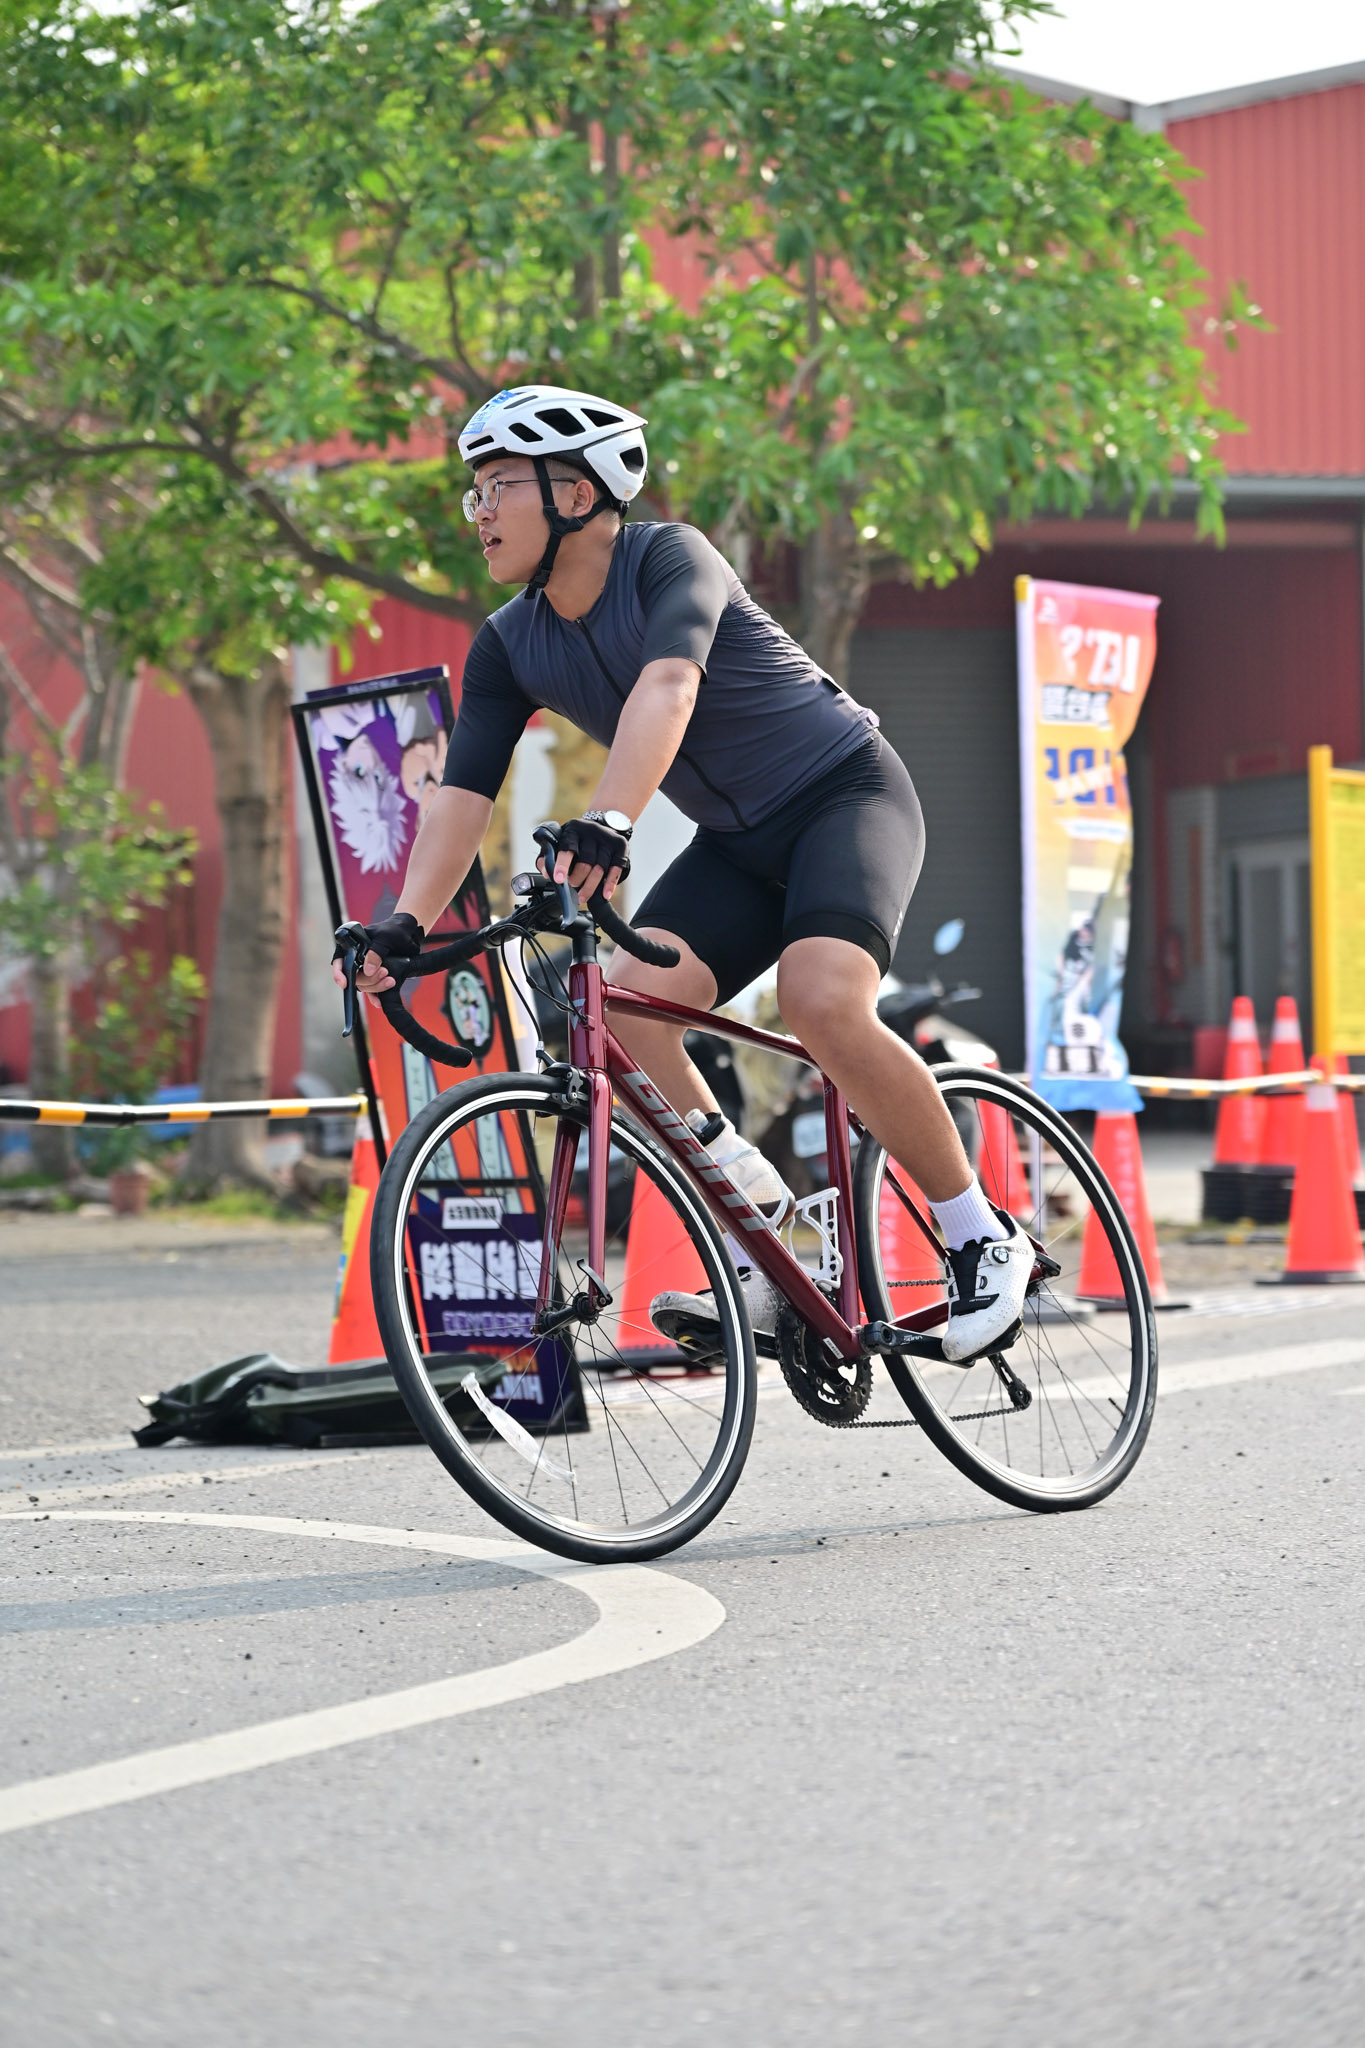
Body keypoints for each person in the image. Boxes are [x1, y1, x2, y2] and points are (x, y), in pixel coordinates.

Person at [335, 384, 1032, 1364]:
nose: (478, 511)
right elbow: (461, 796)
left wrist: (610, 822)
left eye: (498, 486)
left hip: (843, 796)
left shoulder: (671, 556)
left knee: (822, 999)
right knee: (623, 1011)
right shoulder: (508, 643)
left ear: (576, 492)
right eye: (474, 492)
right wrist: (405, 922)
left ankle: (977, 1232)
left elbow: (669, 683)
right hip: (736, 844)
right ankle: (758, 1230)